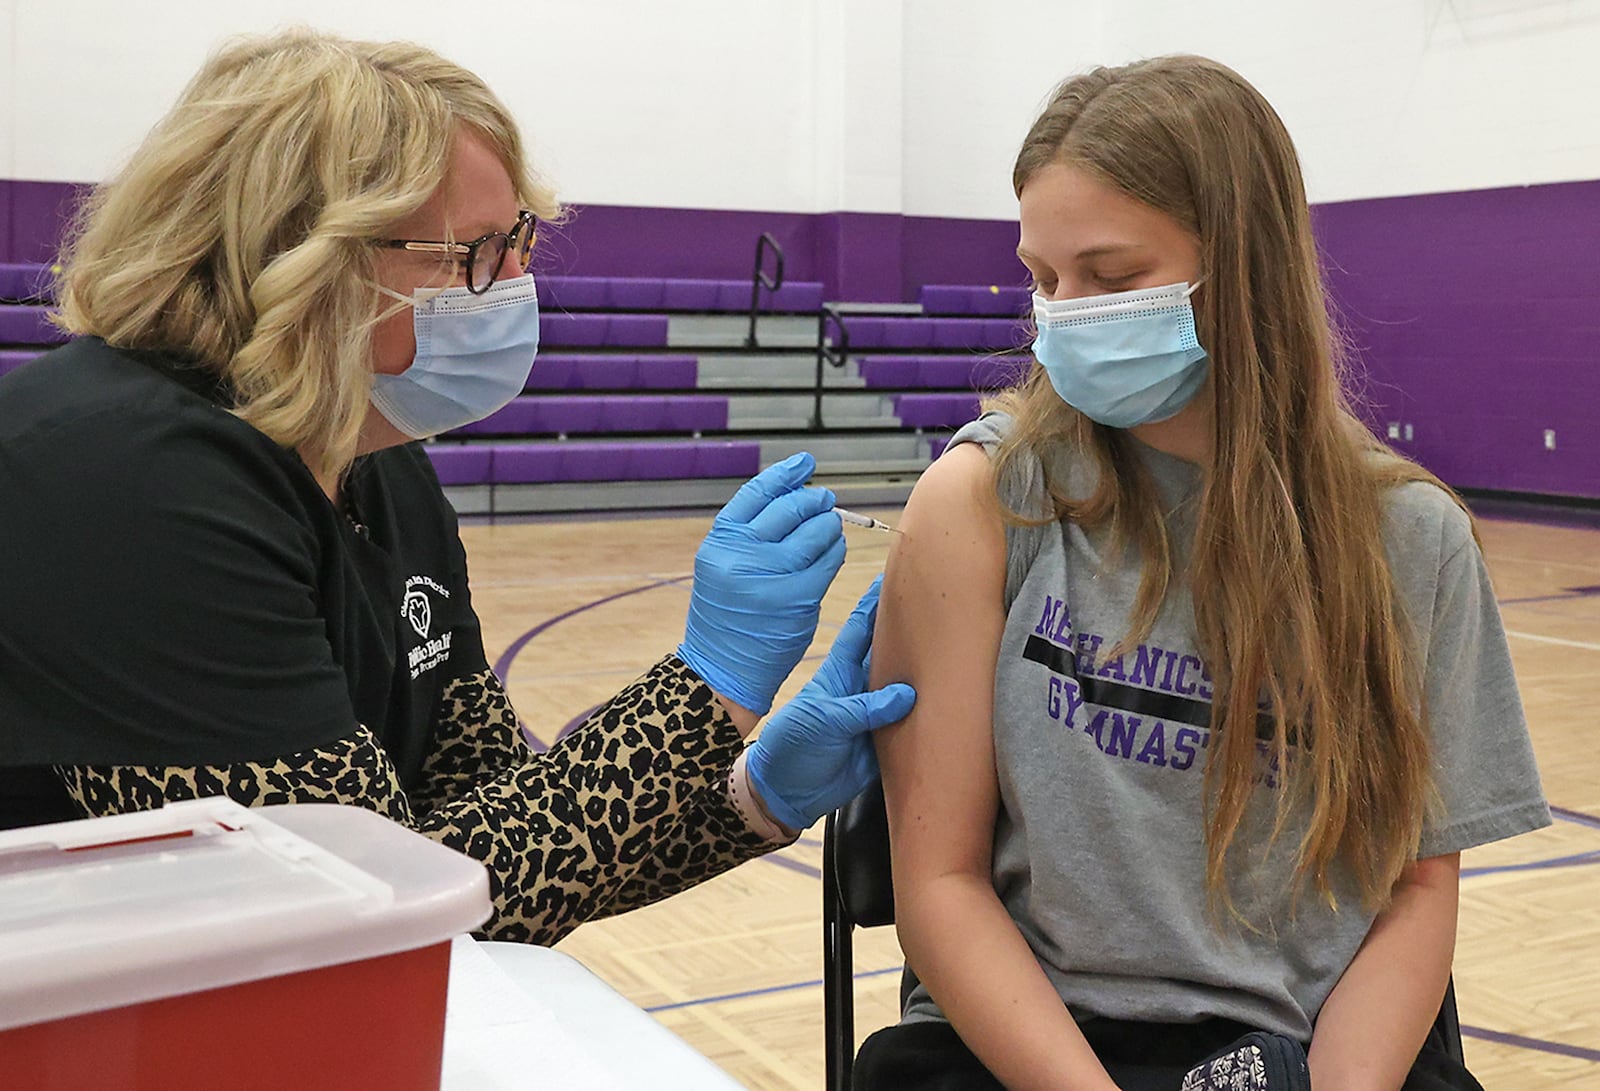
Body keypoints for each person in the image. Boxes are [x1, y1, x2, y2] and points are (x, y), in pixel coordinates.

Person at [0, 30, 914, 947]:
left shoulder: (379, 462)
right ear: (305, 256)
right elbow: (362, 899)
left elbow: (489, 824)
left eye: (517, 242)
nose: (513, 283)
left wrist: (751, 794)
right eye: (473, 251)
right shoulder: (122, 480)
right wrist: (703, 691)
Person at [860, 56, 1549, 1091]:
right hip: (1026, 1042)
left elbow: (1414, 890)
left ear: (1242, 265)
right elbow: (940, 879)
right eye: (1043, 279)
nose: (1063, 317)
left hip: (1308, 1050)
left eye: (1110, 275)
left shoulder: (1412, 539)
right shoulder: (983, 501)